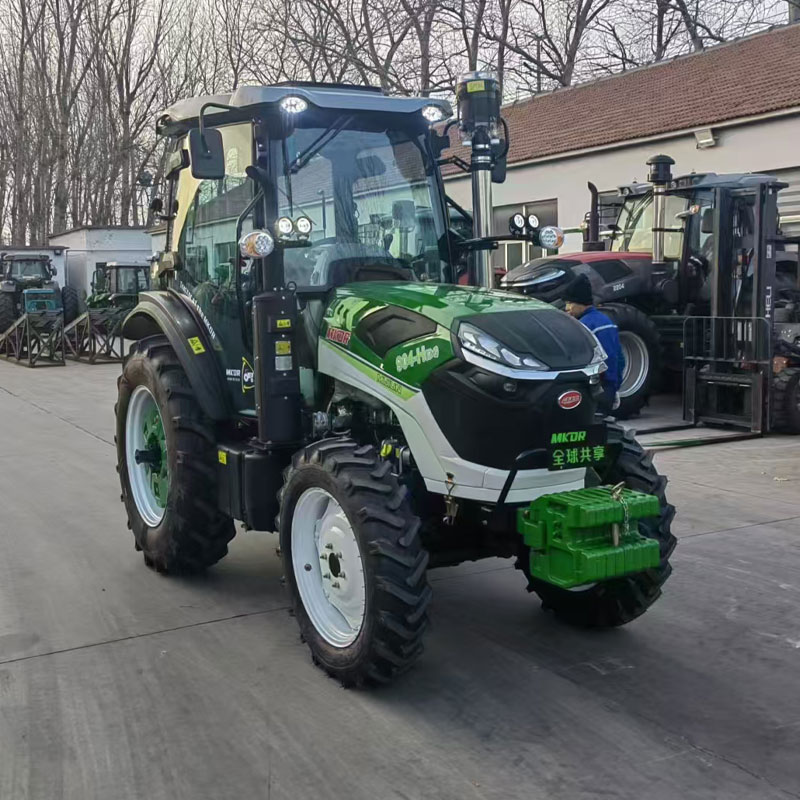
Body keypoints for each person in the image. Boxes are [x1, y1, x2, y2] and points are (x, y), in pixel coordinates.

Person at [564, 274, 624, 412]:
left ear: (581, 302)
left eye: (569, 303)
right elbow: (619, 358)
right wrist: (614, 387)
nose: (567, 308)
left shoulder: (582, 326)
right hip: (608, 387)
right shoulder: (607, 322)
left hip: (592, 389)